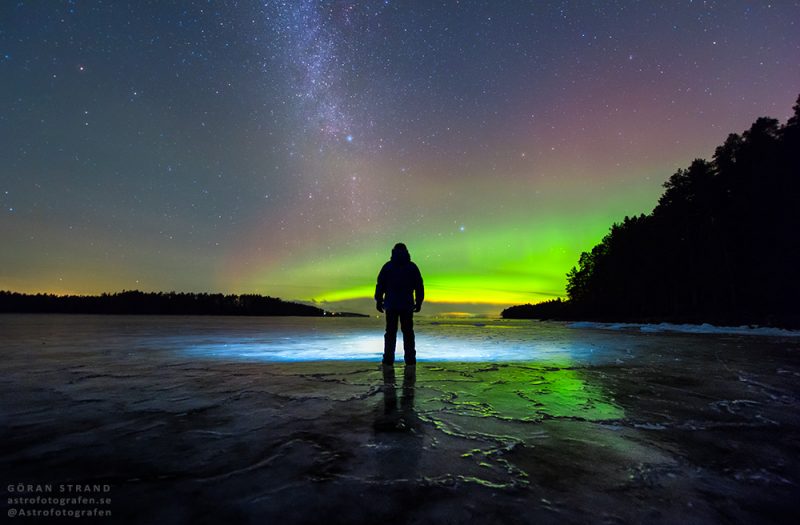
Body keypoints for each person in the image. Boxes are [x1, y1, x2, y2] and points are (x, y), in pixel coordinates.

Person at [374, 243, 424, 366]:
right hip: (406, 304)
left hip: (391, 304)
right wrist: (419, 301)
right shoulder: (412, 267)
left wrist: (379, 300)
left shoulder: (388, 266)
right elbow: (419, 286)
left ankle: (388, 360)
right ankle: (410, 360)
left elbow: (380, 285)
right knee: (408, 333)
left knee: (391, 333)